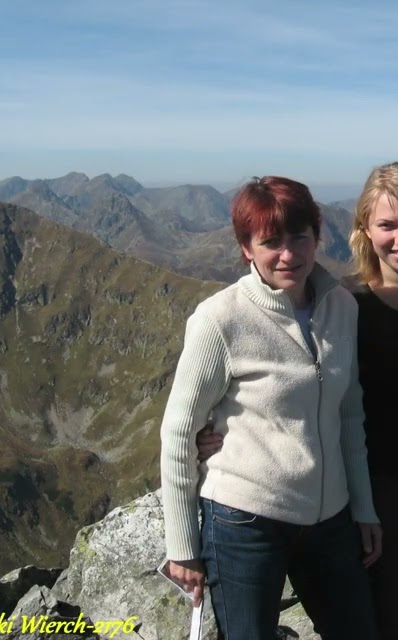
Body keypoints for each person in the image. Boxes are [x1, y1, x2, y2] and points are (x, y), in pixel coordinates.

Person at [198, 162, 398, 640]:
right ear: (364, 231)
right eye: (387, 225)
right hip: (381, 498)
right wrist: (223, 432)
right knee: (393, 621)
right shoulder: (350, 306)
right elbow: (303, 389)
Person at [159, 175, 382, 640]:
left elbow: (349, 414)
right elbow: (180, 431)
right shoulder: (220, 319)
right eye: (270, 241)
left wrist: (363, 508)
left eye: (299, 237)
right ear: (246, 248)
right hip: (245, 522)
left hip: (331, 520)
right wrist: (182, 545)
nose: (289, 254)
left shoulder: (341, 306)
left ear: (317, 236)